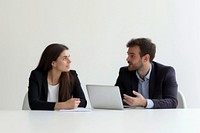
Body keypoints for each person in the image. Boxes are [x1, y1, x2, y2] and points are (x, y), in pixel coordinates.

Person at [115, 38, 178, 109]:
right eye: (128, 55)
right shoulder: (124, 72)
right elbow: (116, 99)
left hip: (158, 118)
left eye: (132, 56)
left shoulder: (165, 72)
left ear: (145, 58)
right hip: (132, 117)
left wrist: (144, 102)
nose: (128, 59)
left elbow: (172, 102)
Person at [28, 43, 87, 110]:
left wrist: (72, 104)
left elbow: (83, 102)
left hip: (62, 118)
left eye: (69, 57)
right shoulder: (36, 76)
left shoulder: (72, 75)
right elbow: (34, 104)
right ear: (53, 63)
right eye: (65, 58)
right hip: (41, 118)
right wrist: (64, 105)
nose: (69, 61)